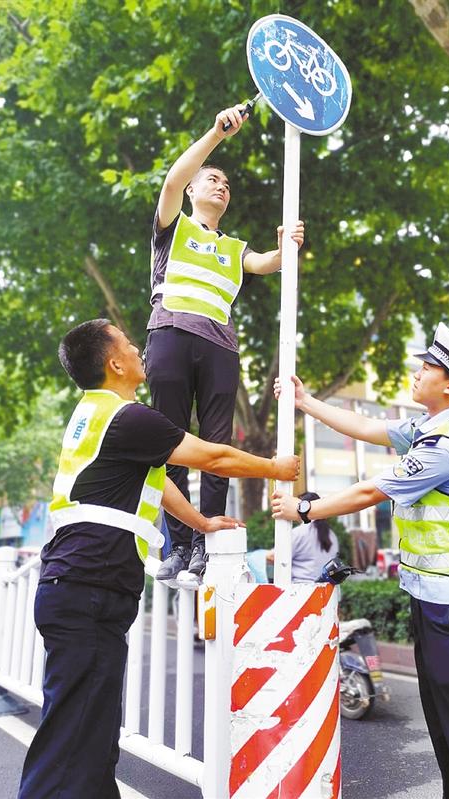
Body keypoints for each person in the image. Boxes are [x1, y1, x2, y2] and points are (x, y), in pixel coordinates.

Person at [18, 318, 299, 799]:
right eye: (130, 344)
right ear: (115, 363)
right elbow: (212, 458)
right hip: (89, 588)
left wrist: (202, 523)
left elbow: (159, 482)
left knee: (91, 732)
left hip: (83, 587)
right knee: (72, 739)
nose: (138, 349)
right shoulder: (128, 418)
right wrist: (274, 467)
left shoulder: (95, 414)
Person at [272, 322, 449, 799]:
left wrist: (305, 509)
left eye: (427, 368)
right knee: (448, 725)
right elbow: (368, 427)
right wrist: (307, 403)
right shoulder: (428, 430)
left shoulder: (446, 447)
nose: (417, 373)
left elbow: (370, 492)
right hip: (435, 601)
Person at [145, 103, 304, 581]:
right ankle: (179, 543)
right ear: (193, 190)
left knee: (217, 445)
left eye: (227, 185)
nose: (221, 186)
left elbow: (267, 263)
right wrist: (216, 133)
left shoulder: (234, 248)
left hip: (219, 348)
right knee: (171, 441)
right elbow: (171, 182)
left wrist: (287, 243)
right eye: (212, 179)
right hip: (170, 335)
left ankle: (206, 545)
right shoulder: (173, 226)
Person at [266, 491, 339, 582]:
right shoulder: (332, 535)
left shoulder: (300, 533)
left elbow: (274, 556)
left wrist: (256, 555)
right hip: (327, 587)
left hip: (302, 587)